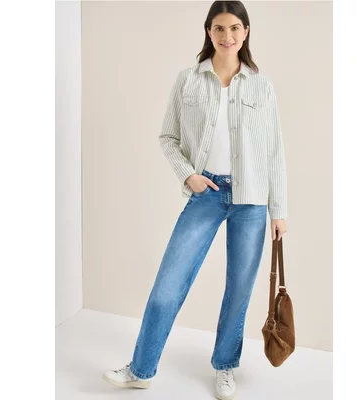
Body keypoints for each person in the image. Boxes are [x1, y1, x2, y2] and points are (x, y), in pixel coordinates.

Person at [102, 1, 287, 399]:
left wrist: (279, 211)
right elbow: (168, 137)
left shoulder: (262, 86)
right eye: (219, 28)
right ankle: (141, 368)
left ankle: (225, 366)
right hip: (207, 194)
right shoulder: (188, 80)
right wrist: (188, 175)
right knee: (168, 285)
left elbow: (274, 152)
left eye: (235, 28)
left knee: (239, 290)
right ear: (208, 32)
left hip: (253, 199)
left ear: (246, 32)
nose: (227, 36)